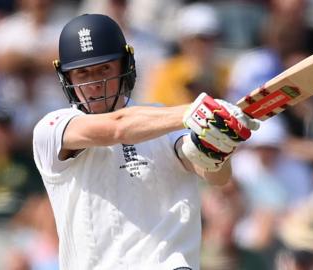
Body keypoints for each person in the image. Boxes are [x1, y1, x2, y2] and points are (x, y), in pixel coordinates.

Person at [32, 14, 260, 269]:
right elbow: (118, 127)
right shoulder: (52, 128)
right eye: (83, 73)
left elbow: (216, 177)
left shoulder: (163, 119)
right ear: (67, 78)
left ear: (124, 66)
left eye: (104, 68)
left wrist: (219, 148)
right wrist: (199, 111)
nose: (94, 83)